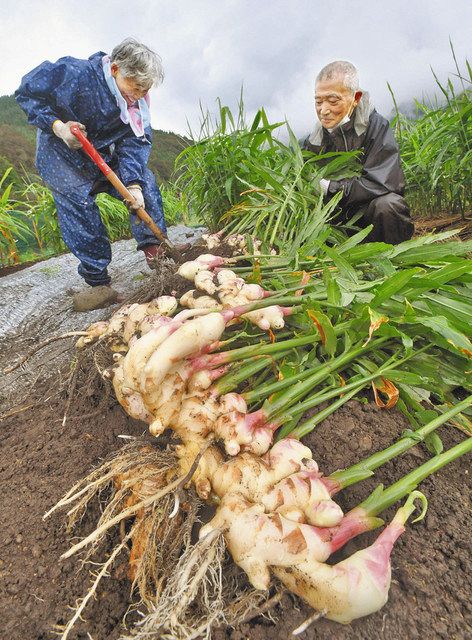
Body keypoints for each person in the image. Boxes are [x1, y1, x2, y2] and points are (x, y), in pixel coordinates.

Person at [15, 38, 174, 311]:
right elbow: (27, 92)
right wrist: (58, 127)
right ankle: (98, 281)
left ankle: (156, 252)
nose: (138, 95)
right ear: (114, 70)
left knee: (145, 183)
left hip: (103, 154)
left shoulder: (137, 104)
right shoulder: (73, 72)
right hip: (62, 157)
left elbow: (136, 142)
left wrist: (133, 184)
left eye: (144, 89)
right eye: (134, 87)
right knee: (81, 210)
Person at [301, 61, 414, 244]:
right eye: (318, 101)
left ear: (356, 98)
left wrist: (330, 187)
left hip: (368, 217)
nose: (324, 110)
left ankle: (395, 261)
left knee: (389, 205)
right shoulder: (313, 141)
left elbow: (383, 182)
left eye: (333, 100)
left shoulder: (376, 127)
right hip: (335, 220)